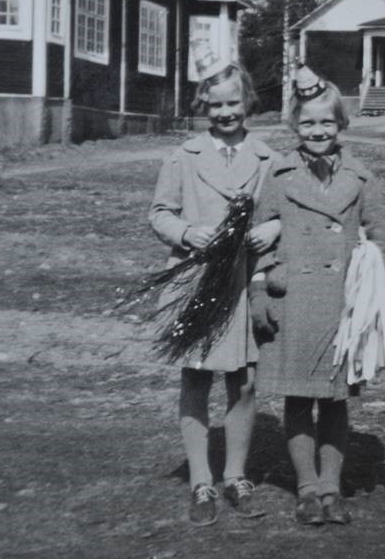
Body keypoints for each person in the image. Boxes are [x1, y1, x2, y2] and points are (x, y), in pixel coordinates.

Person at [249, 63, 385, 526]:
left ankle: (332, 488)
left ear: (341, 123)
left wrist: (369, 294)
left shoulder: (361, 178)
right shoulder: (279, 174)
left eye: (327, 121)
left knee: (334, 399)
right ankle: (306, 489)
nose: (318, 131)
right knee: (297, 398)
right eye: (308, 123)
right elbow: (259, 239)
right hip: (294, 300)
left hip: (342, 305)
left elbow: (378, 239)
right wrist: (259, 292)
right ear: (295, 125)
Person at [149, 41, 280, 527]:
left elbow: (283, 211)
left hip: (244, 282)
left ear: (248, 102)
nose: (225, 113)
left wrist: (275, 227)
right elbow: (159, 212)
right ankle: (201, 481)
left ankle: (235, 475)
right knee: (196, 378)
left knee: (243, 382)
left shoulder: (268, 160)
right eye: (216, 104)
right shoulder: (183, 157)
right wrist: (186, 232)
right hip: (195, 281)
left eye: (234, 103)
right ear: (203, 104)